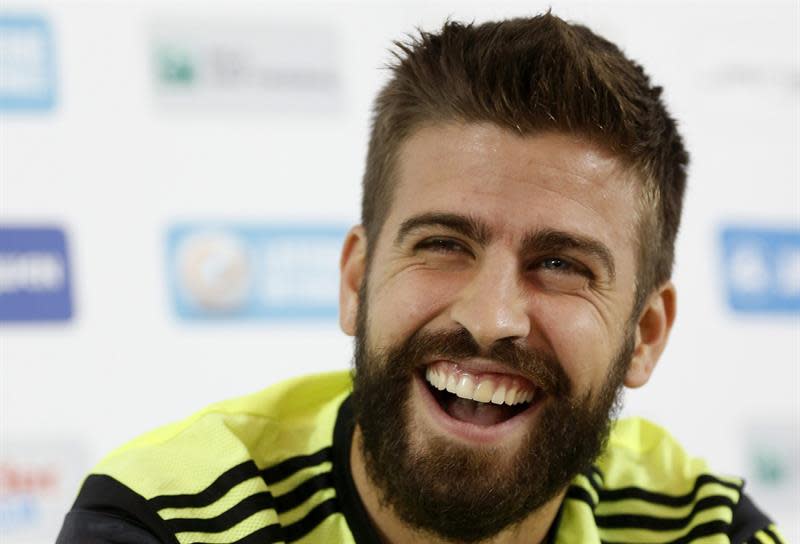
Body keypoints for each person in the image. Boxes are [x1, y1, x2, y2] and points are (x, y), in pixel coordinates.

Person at [57, 13, 784, 544]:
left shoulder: (699, 529)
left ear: (645, 335)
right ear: (357, 278)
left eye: (560, 265)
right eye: (443, 244)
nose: (492, 316)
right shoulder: (171, 522)